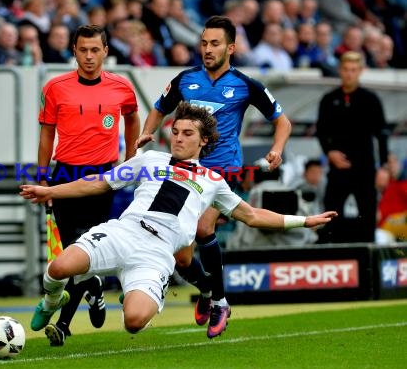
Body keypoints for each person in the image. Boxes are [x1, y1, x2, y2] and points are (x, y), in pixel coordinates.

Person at [21, 102, 336, 335]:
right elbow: (98, 183)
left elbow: (251, 215)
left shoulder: (212, 180)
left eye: (188, 134)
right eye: (175, 132)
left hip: (156, 254)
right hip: (124, 232)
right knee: (58, 267)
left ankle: (147, 291)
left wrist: (304, 221)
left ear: (203, 141)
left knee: (133, 322)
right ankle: (51, 302)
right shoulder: (150, 159)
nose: (179, 138)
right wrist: (50, 191)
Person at [135, 15, 292, 339]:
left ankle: (220, 302)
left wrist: (277, 149)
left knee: (203, 226)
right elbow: (159, 107)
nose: (208, 49)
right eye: (204, 43)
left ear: (231, 48)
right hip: (186, 170)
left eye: (215, 43)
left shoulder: (246, 84)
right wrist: (148, 132)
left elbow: (283, 121)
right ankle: (207, 289)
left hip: (223, 171)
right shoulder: (185, 79)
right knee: (182, 257)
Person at [36, 24, 140, 346]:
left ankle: (64, 326)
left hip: (102, 179)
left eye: (96, 50)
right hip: (65, 175)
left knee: (85, 250)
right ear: (74, 52)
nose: (90, 56)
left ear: (106, 51)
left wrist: (130, 159)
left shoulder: (122, 88)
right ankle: (93, 288)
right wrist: (42, 177)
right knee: (71, 255)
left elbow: (133, 118)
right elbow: (46, 134)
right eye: (83, 50)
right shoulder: (55, 88)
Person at [316, 50, 389, 243]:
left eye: (353, 70)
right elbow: (321, 131)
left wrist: (383, 167)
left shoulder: (370, 99)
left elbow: (382, 134)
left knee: (367, 216)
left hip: (364, 168)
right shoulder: (329, 99)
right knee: (332, 214)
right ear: (340, 71)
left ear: (360, 71)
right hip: (338, 168)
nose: (349, 74)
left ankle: (368, 263)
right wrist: (329, 152)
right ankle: (334, 257)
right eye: (346, 69)